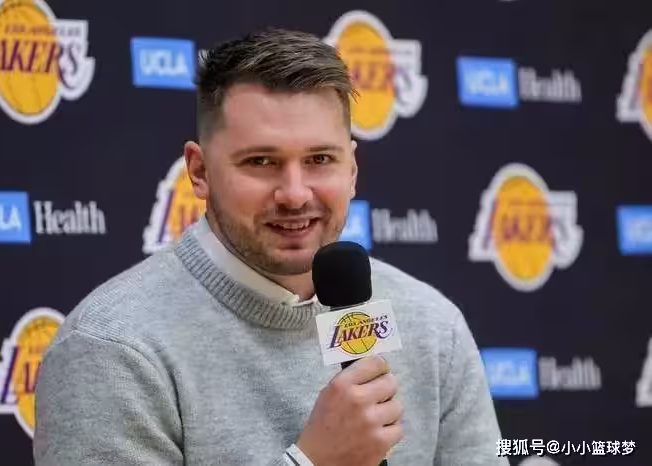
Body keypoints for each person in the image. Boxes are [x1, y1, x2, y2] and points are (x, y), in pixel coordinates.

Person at [33, 28, 507, 466]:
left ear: (352, 170)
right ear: (199, 171)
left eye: (319, 159)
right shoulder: (112, 347)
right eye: (261, 161)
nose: (295, 194)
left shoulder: (432, 325)